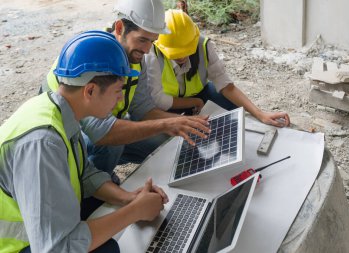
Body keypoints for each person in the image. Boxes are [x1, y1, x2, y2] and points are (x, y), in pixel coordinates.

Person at [0, 31, 169, 253]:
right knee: (106, 249)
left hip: (41, 231)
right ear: (90, 90)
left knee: (108, 209)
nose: (120, 98)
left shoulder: (60, 111)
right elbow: (58, 247)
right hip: (18, 246)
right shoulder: (43, 142)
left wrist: (128, 198)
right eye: (118, 90)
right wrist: (134, 212)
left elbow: (84, 173)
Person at [41, 0, 210, 183]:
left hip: (104, 127)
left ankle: (101, 174)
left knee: (166, 142)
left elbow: (143, 109)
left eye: (152, 41)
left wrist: (183, 122)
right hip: (66, 138)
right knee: (114, 143)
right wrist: (166, 124)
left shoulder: (135, 57)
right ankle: (92, 186)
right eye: (142, 39)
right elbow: (103, 133)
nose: (146, 50)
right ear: (120, 28)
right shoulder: (91, 57)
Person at [146, 9, 290, 127]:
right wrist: (194, 103)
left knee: (234, 110)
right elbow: (159, 100)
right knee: (164, 135)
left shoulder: (203, 45)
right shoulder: (152, 53)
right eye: (176, 53)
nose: (182, 57)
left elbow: (225, 85)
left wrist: (260, 114)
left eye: (186, 51)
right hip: (168, 106)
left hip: (200, 94)